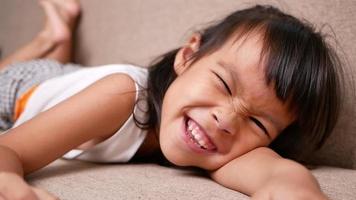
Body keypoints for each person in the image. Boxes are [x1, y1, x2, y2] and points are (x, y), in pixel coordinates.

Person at [0, 0, 342, 199]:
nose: (226, 120)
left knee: (63, 69)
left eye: (257, 122)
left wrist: (299, 190)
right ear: (188, 56)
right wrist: (13, 187)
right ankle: (52, 35)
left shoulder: (227, 141)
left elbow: (275, 174)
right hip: (22, 90)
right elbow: (10, 151)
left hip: (73, 81)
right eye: (223, 83)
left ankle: (58, 34)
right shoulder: (122, 96)